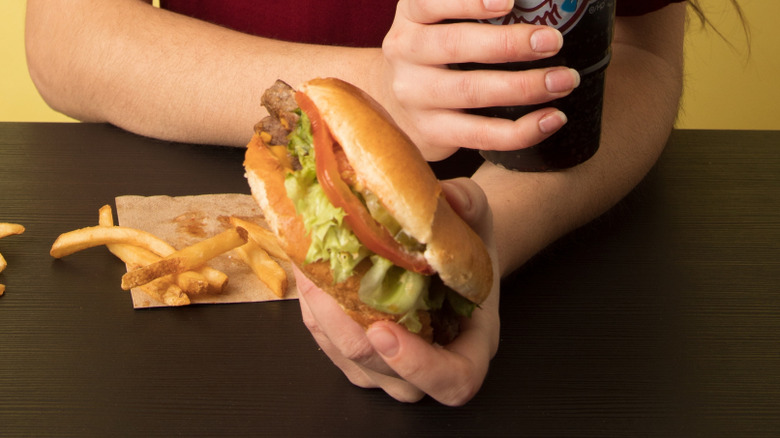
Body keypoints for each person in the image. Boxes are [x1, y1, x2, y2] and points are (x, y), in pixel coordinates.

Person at [26, 0, 692, 405]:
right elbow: (65, 35)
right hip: (182, 337)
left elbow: (641, 54)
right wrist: (379, 92)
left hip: (553, 295)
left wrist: (486, 224)